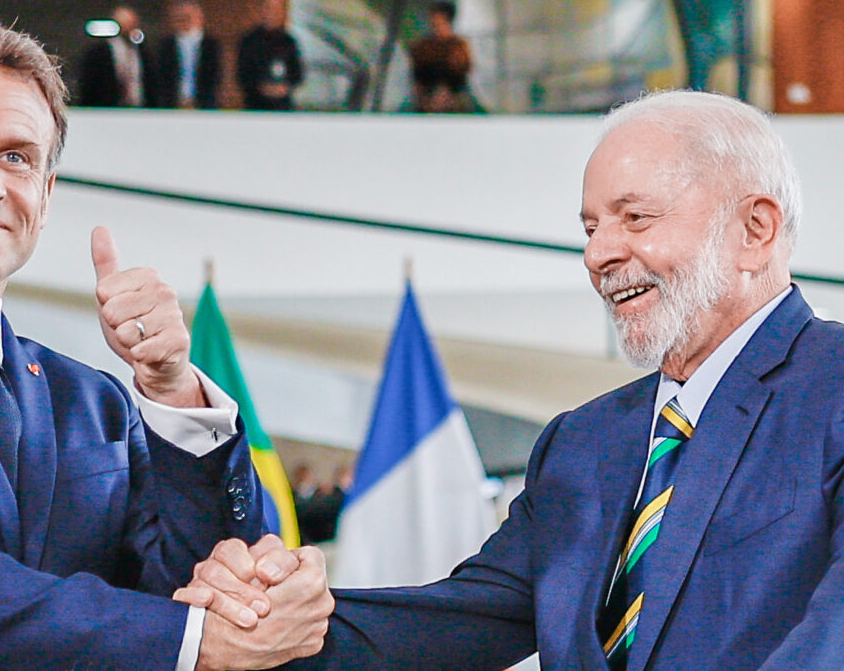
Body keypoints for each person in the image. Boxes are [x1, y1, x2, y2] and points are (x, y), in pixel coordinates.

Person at [176, 90, 844, 669]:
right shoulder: (582, 443)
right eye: (590, 226)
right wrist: (273, 617)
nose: (599, 253)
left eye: (635, 217)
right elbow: (449, 625)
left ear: (756, 229)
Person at [0, 20, 331, 669]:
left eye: (16, 156)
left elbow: (212, 578)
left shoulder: (96, 400)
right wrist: (194, 640)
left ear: (46, 192)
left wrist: (173, 389)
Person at [236, 0, 304, 111]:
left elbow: (298, 75)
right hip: (255, 107)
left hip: (283, 109)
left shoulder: (289, 42)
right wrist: (263, 87)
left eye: (277, 7)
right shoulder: (248, 41)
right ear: (261, 9)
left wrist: (284, 87)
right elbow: (242, 75)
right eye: (269, 7)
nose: (274, 12)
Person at [78, 5, 157, 107]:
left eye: (131, 24)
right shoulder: (98, 53)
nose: (128, 29)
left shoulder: (144, 53)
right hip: (107, 110)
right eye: (124, 25)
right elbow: (89, 86)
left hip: (140, 110)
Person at [408, 0, 476, 113]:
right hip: (426, 93)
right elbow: (417, 74)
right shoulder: (423, 46)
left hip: (453, 94)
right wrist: (424, 98)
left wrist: (445, 94)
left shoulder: (458, 46)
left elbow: (459, 75)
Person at [156, 0, 222, 109]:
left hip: (204, 104)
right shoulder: (166, 45)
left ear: (199, 18)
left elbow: (214, 75)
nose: (184, 21)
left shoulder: (211, 45)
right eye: (180, 18)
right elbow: (163, 76)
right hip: (172, 104)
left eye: (188, 17)